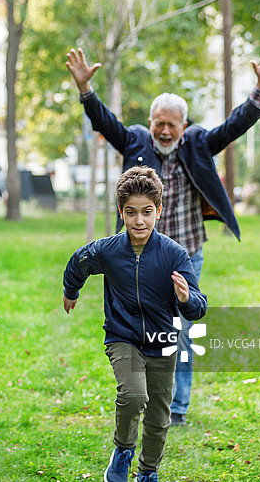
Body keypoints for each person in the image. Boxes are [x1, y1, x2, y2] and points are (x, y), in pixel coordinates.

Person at [66, 45, 260, 425]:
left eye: (172, 124)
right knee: (141, 329)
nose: (165, 131)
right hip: (140, 255)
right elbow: (106, 122)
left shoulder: (198, 143)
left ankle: (177, 409)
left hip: (186, 254)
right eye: (159, 123)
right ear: (150, 123)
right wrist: (86, 90)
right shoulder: (135, 143)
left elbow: (234, 125)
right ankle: (144, 396)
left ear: (183, 126)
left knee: (182, 328)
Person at [62, 166, 207, 482]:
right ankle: (123, 451)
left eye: (146, 212)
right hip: (122, 335)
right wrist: (71, 290)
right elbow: (78, 263)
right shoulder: (109, 250)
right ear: (120, 211)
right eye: (130, 213)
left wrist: (185, 299)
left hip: (162, 340)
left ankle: (148, 471)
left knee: (158, 413)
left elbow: (199, 307)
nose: (138, 220)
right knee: (133, 396)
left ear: (158, 211)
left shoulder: (173, 254)